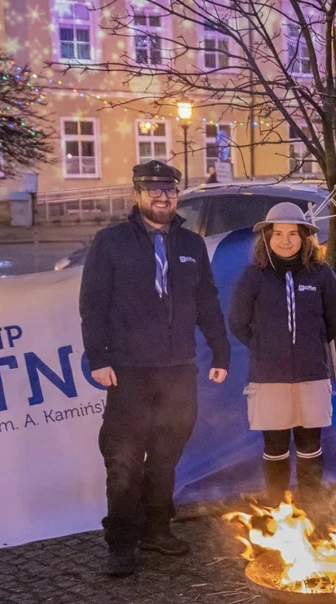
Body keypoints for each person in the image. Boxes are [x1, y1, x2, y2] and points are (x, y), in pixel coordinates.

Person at [80, 160, 231, 578]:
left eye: (169, 190)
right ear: (136, 194)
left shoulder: (191, 245)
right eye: (153, 189)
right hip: (128, 371)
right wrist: (99, 358)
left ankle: (156, 530)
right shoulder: (110, 242)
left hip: (178, 371)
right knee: (124, 461)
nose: (162, 196)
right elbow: (92, 304)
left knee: (165, 459)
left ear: (177, 195)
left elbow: (207, 302)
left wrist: (221, 352)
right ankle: (121, 543)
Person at [228, 202, 336, 514]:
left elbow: (335, 320)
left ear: (305, 237)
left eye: (293, 233)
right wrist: (265, 347)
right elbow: (238, 322)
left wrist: (311, 344)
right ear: (266, 237)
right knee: (275, 448)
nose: (285, 240)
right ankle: (278, 513)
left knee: (309, 447)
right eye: (277, 233)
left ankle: (311, 512)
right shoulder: (253, 277)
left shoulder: (321, 274)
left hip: (312, 375)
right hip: (268, 379)